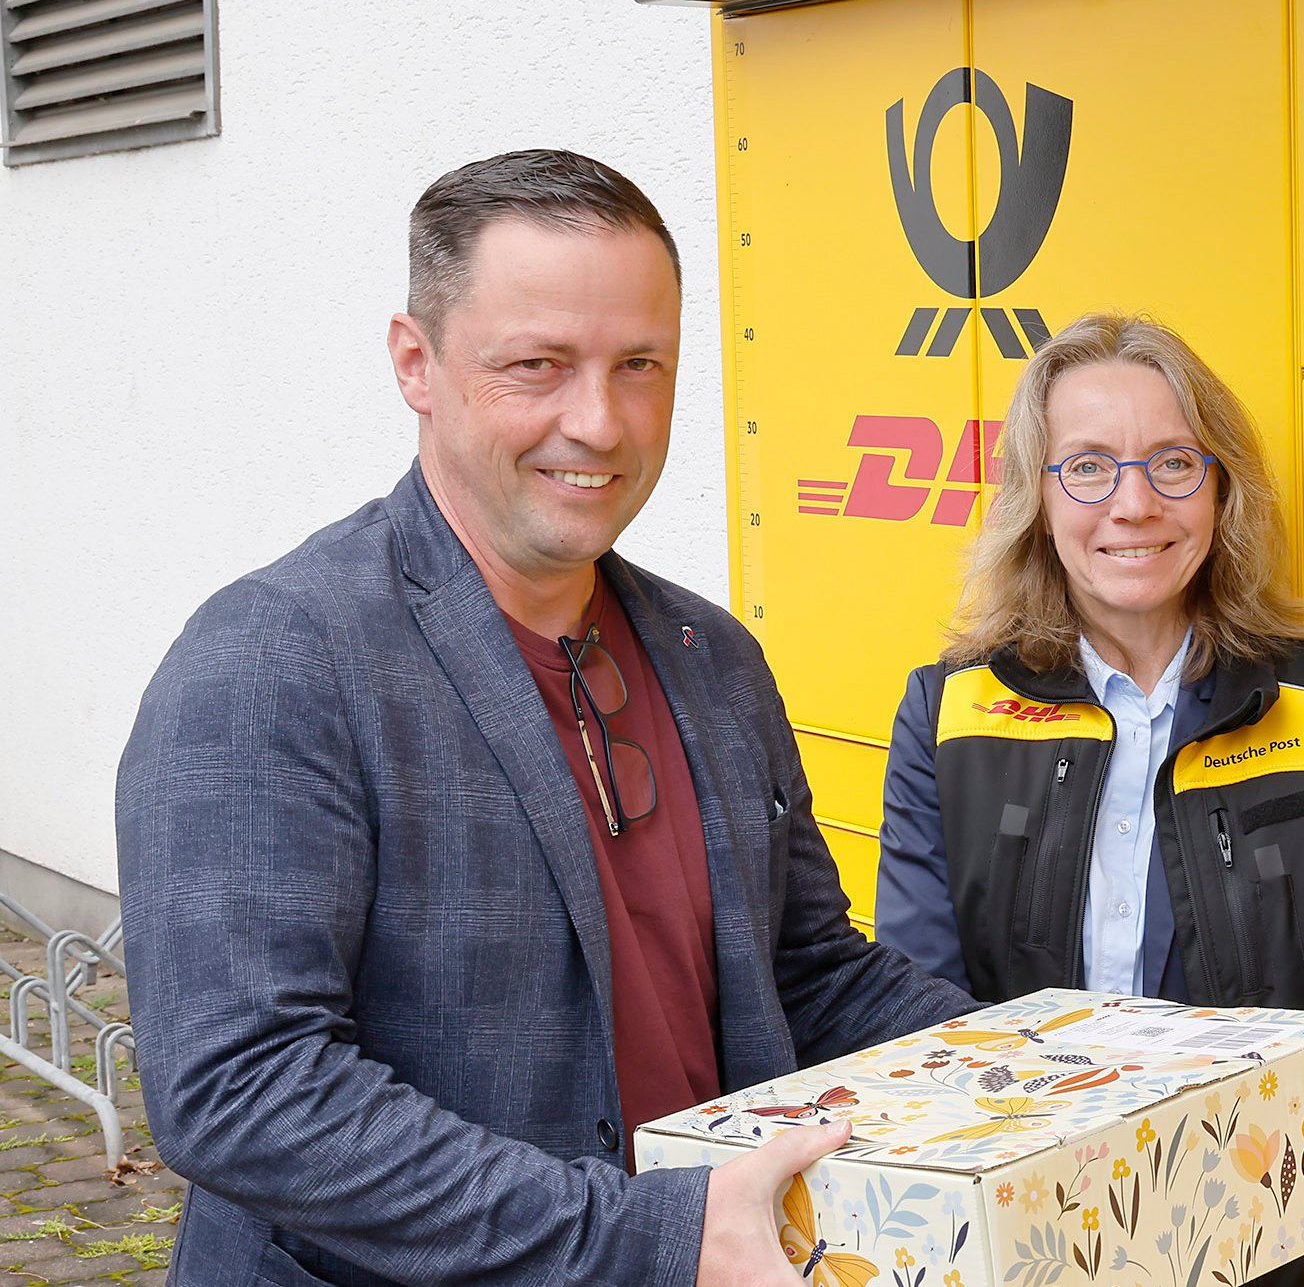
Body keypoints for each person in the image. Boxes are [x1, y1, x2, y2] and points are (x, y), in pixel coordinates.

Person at [115, 150, 978, 1287]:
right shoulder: (275, 660)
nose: (602, 423)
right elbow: (246, 1091)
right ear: (415, 364)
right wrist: (646, 1239)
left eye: (640, 365)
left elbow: (809, 977)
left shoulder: (710, 656)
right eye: (537, 365)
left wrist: (1084, 1061)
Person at [873, 313, 1304, 1285]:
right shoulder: (948, 713)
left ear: (1221, 487)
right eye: (1089, 466)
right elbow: (917, 1002)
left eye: (1172, 463)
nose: (1134, 503)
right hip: (1045, 1240)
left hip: (1285, 1230)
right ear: (1036, 495)